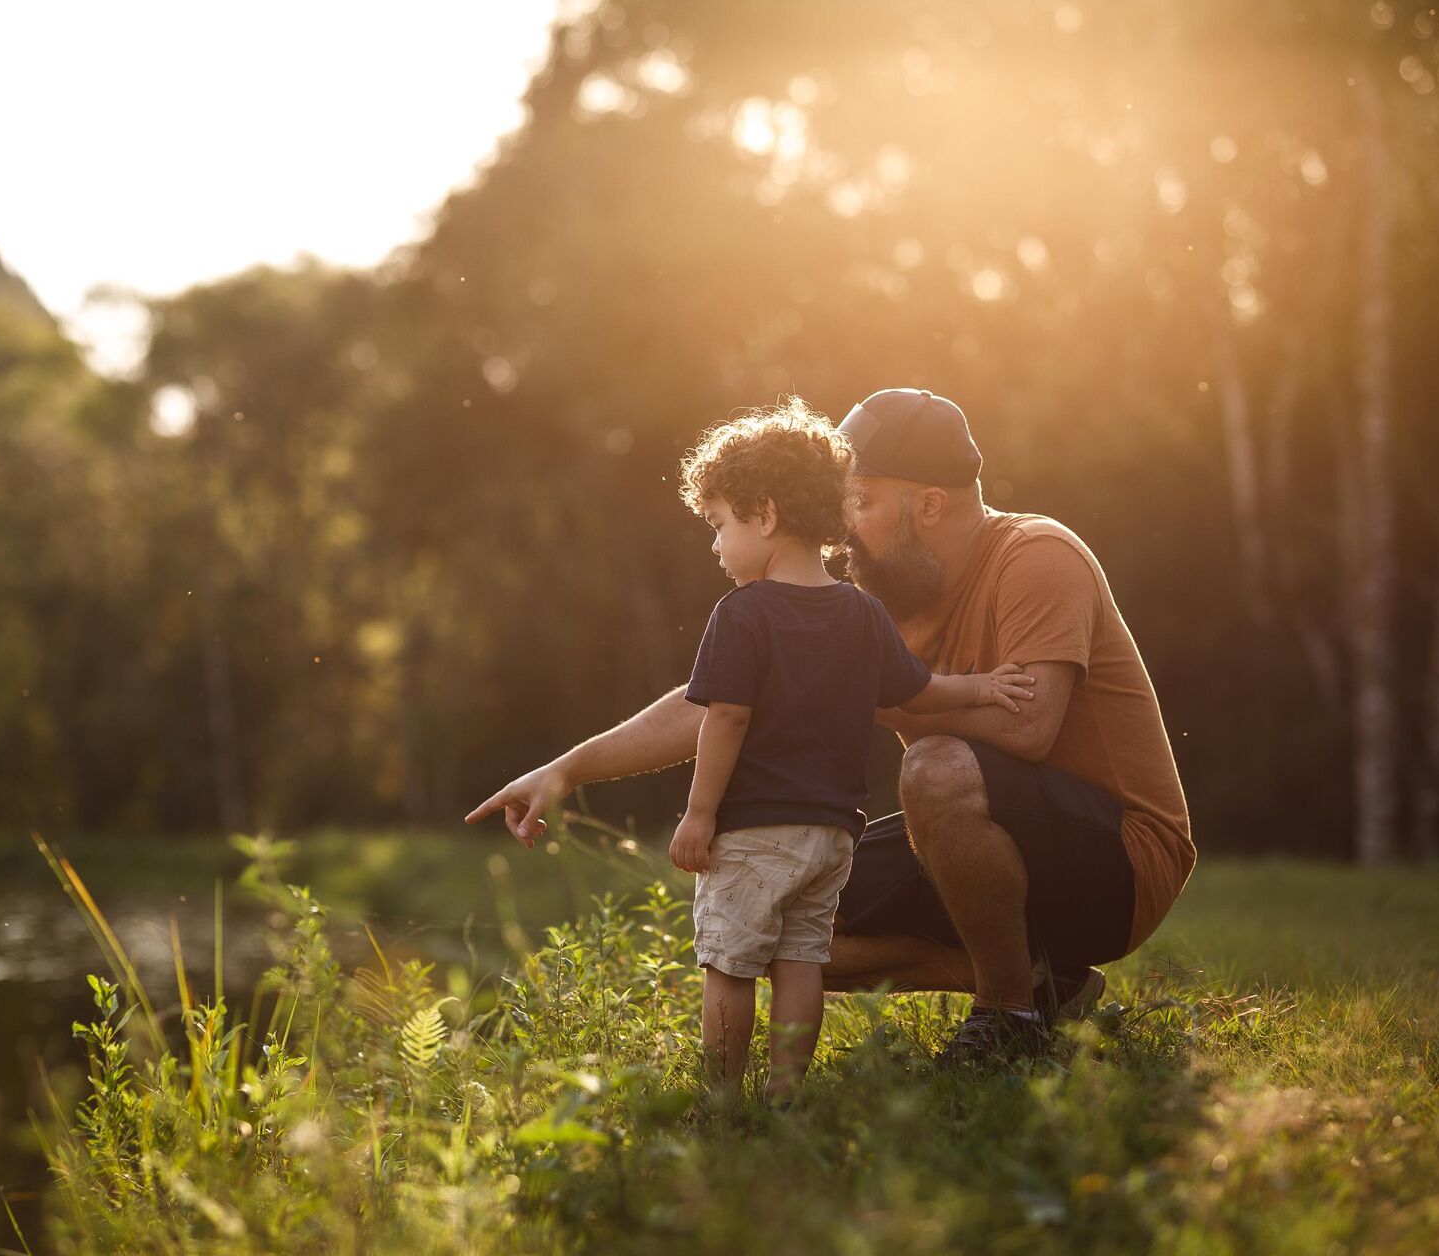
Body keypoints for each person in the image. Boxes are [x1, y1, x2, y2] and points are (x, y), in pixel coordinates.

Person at [467, 388, 1194, 1067]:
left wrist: (856, 696)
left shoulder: (1036, 557)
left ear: (930, 505)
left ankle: (1010, 1020)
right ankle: (1045, 982)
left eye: (863, 503)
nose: (842, 528)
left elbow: (1032, 729)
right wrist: (566, 769)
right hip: (980, 842)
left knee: (934, 768)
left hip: (1121, 864)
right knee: (784, 913)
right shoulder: (878, 601)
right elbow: (717, 698)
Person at [667, 400, 1033, 1098]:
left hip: (752, 829)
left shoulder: (741, 614)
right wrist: (984, 687)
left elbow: (727, 720)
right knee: (802, 961)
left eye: (720, 526)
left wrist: (700, 813)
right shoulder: (861, 612)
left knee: (731, 964)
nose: (716, 546)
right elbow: (921, 691)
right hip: (832, 835)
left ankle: (719, 1100)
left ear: (766, 515)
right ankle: (786, 1095)